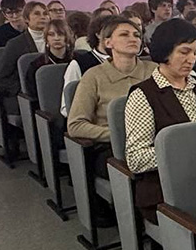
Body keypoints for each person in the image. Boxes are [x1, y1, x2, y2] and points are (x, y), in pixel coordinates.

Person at [125, 19, 196, 250]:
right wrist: (179, 155)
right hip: (165, 187)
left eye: (195, 52)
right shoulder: (143, 95)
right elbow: (135, 158)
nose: (191, 59)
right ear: (165, 51)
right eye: (184, 52)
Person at [67, 16, 157, 178]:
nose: (133, 39)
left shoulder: (154, 71)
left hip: (153, 142)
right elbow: (75, 125)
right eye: (124, 34)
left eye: (137, 35)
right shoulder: (93, 76)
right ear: (108, 42)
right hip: (111, 148)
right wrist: (116, 134)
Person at [0, 0, 50, 103]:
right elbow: (0, 79)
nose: (42, 17)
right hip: (28, 97)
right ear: (26, 19)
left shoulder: (58, 41)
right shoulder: (15, 44)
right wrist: (24, 90)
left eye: (45, 14)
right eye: (37, 14)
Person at [61, 14, 113, 116]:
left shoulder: (128, 62)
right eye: (110, 33)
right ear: (98, 34)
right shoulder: (79, 64)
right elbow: (66, 107)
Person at [26, 18, 73, 100]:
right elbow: (33, 95)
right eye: (51, 34)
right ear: (46, 38)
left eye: (61, 34)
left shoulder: (79, 60)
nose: (56, 38)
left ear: (67, 37)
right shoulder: (37, 65)